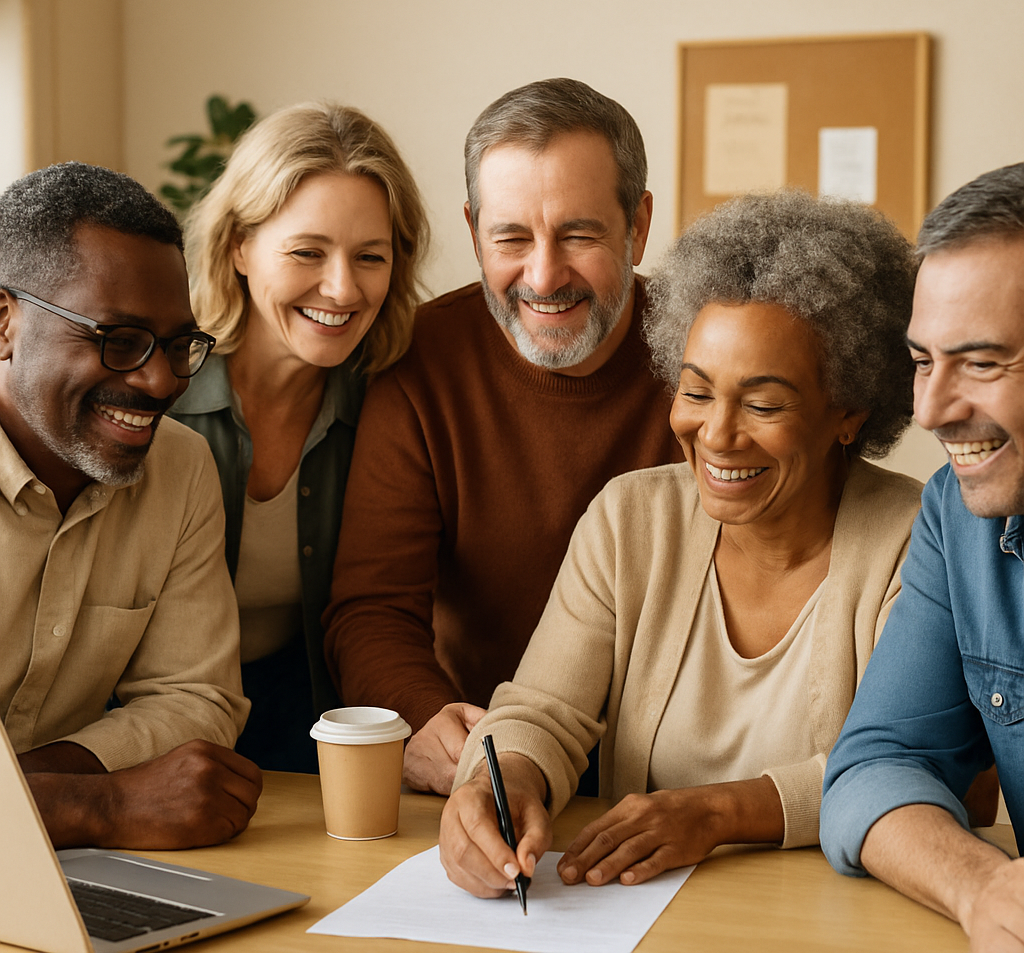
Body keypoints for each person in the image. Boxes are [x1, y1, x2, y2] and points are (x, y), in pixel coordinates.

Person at [438, 190, 924, 898]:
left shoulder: (915, 541)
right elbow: (543, 710)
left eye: (762, 403)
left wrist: (720, 812)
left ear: (847, 410)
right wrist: (503, 779)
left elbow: (913, 766)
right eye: (697, 392)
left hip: (834, 922)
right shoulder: (631, 519)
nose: (717, 435)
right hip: (641, 920)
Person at [322, 78, 683, 795]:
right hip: (477, 757)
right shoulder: (419, 358)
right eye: (511, 238)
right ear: (473, 230)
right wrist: (423, 720)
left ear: (637, 226)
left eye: (579, 234)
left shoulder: (708, 351)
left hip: (668, 772)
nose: (543, 275)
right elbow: (373, 607)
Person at [0, 161, 257, 849]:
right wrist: (95, 806)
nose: (160, 379)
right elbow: (107, 800)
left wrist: (35, 793)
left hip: (60, 876)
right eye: (118, 340)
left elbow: (197, 699)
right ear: (4, 323)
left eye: (178, 346)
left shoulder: (181, 467)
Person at [169, 101, 428, 773]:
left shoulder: (393, 402)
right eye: (308, 252)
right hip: (156, 719)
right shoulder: (157, 395)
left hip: (315, 712)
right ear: (239, 246)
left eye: (370, 256)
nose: (341, 289)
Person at [820, 162, 1024, 949]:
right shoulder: (957, 515)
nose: (931, 410)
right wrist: (976, 888)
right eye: (921, 361)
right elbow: (872, 768)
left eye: (979, 362)